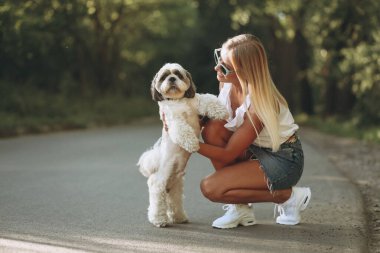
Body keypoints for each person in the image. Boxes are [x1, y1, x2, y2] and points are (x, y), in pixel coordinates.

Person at [197, 34, 311, 229]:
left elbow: (227, 154)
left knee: (211, 188)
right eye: (218, 59)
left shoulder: (259, 104)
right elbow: (215, 122)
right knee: (212, 128)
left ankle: (288, 196)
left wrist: (187, 142)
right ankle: (240, 208)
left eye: (224, 67)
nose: (216, 69)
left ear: (244, 72)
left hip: (283, 159)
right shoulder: (227, 83)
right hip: (254, 149)